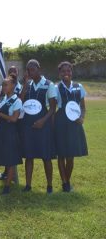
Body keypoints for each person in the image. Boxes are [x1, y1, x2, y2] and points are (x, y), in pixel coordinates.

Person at [20, 59, 57, 194]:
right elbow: (20, 101)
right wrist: (25, 84)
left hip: (43, 124)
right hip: (28, 124)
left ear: (39, 69)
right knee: (29, 156)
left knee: (46, 156)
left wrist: (42, 121)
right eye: (28, 70)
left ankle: (49, 185)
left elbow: (53, 108)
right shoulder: (27, 84)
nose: (30, 72)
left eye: (33, 69)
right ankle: (28, 185)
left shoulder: (49, 85)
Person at [54, 61, 88, 192]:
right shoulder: (56, 88)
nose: (66, 73)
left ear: (71, 72)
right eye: (63, 71)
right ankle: (65, 183)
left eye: (68, 71)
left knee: (71, 155)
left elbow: (83, 107)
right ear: (59, 73)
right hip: (61, 122)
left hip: (74, 122)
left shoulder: (79, 86)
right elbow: (52, 106)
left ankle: (67, 180)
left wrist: (82, 117)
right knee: (61, 154)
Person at [0, 74, 23, 195]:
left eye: (6, 84)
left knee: (10, 161)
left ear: (13, 85)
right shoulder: (2, 98)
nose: (3, 87)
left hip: (10, 132)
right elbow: (3, 118)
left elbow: (14, 119)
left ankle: (7, 187)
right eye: (2, 84)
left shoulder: (17, 100)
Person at [0, 66, 23, 181]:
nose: (13, 73)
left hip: (15, 124)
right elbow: (0, 100)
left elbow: (14, 117)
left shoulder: (20, 87)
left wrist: (0, 114)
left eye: (15, 71)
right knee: (4, 150)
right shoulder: (3, 89)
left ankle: (12, 176)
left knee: (12, 152)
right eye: (10, 71)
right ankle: (6, 173)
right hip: (3, 125)